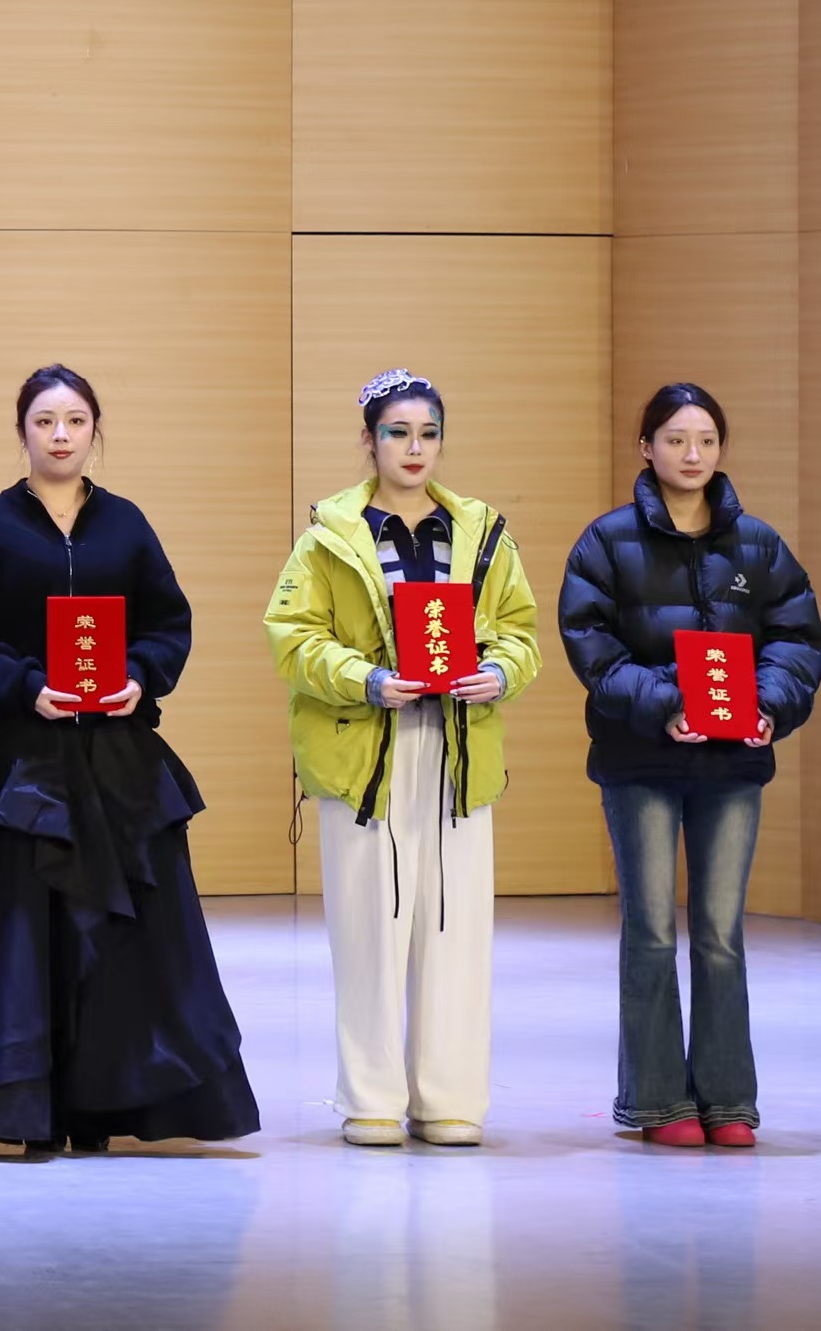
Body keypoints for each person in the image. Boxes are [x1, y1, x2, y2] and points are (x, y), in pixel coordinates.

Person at [0, 367, 258, 1153]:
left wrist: (139, 677)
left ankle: (107, 1106)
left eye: (76, 421)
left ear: (94, 430)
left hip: (113, 757)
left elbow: (167, 622)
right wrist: (25, 686)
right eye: (44, 421)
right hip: (10, 762)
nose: (60, 435)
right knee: (14, 932)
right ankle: (21, 1107)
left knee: (121, 936)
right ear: (21, 430)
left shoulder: (126, 524)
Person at [265, 370, 539, 1147]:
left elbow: (518, 631)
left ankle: (450, 1100)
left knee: (456, 929)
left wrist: (500, 671)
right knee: (368, 931)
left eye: (426, 434)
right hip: (363, 752)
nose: (413, 448)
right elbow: (293, 638)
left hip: (457, 751)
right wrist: (365, 679)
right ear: (369, 440)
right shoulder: (327, 536)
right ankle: (372, 1100)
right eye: (396, 433)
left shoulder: (482, 533)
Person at [559, 382, 821, 1150]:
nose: (691, 453)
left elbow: (796, 640)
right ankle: (655, 1102)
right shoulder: (605, 542)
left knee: (718, 932)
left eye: (705, 439)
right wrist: (664, 704)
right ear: (645, 448)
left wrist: (769, 705)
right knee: (649, 929)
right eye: (675, 439)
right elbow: (591, 647)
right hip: (639, 760)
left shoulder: (758, 545)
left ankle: (727, 1099)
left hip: (732, 765)